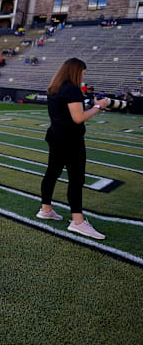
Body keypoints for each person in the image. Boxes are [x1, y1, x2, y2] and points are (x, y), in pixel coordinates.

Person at [38, 58, 109, 240]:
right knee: (76, 179)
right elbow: (78, 118)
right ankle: (78, 222)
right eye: (83, 72)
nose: (84, 75)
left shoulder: (55, 87)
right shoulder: (72, 88)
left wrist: (90, 106)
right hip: (70, 139)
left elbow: (69, 111)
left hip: (55, 135)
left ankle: (46, 209)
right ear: (76, 71)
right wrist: (98, 107)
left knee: (52, 173)